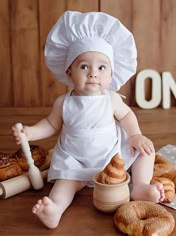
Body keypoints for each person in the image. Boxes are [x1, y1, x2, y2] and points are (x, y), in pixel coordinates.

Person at [12, 11, 165, 229]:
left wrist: (135, 135)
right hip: (76, 160)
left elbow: (126, 115)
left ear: (111, 75)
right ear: (69, 73)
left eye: (101, 67)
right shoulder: (63, 102)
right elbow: (51, 124)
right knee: (64, 185)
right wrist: (30, 133)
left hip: (113, 156)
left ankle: (139, 186)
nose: (93, 73)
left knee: (146, 151)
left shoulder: (110, 99)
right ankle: (54, 209)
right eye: (84, 66)